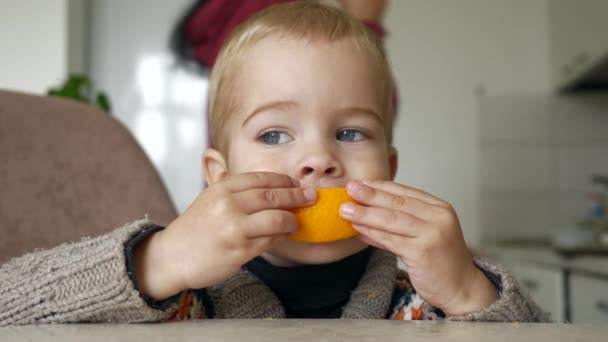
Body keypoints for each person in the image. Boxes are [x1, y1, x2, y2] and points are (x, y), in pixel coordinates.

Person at [0, 1, 549, 325]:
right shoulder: (180, 295)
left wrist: (468, 294)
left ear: (389, 166)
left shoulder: (423, 302)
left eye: (350, 132)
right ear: (218, 176)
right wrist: (154, 262)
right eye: (274, 132)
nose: (318, 159)